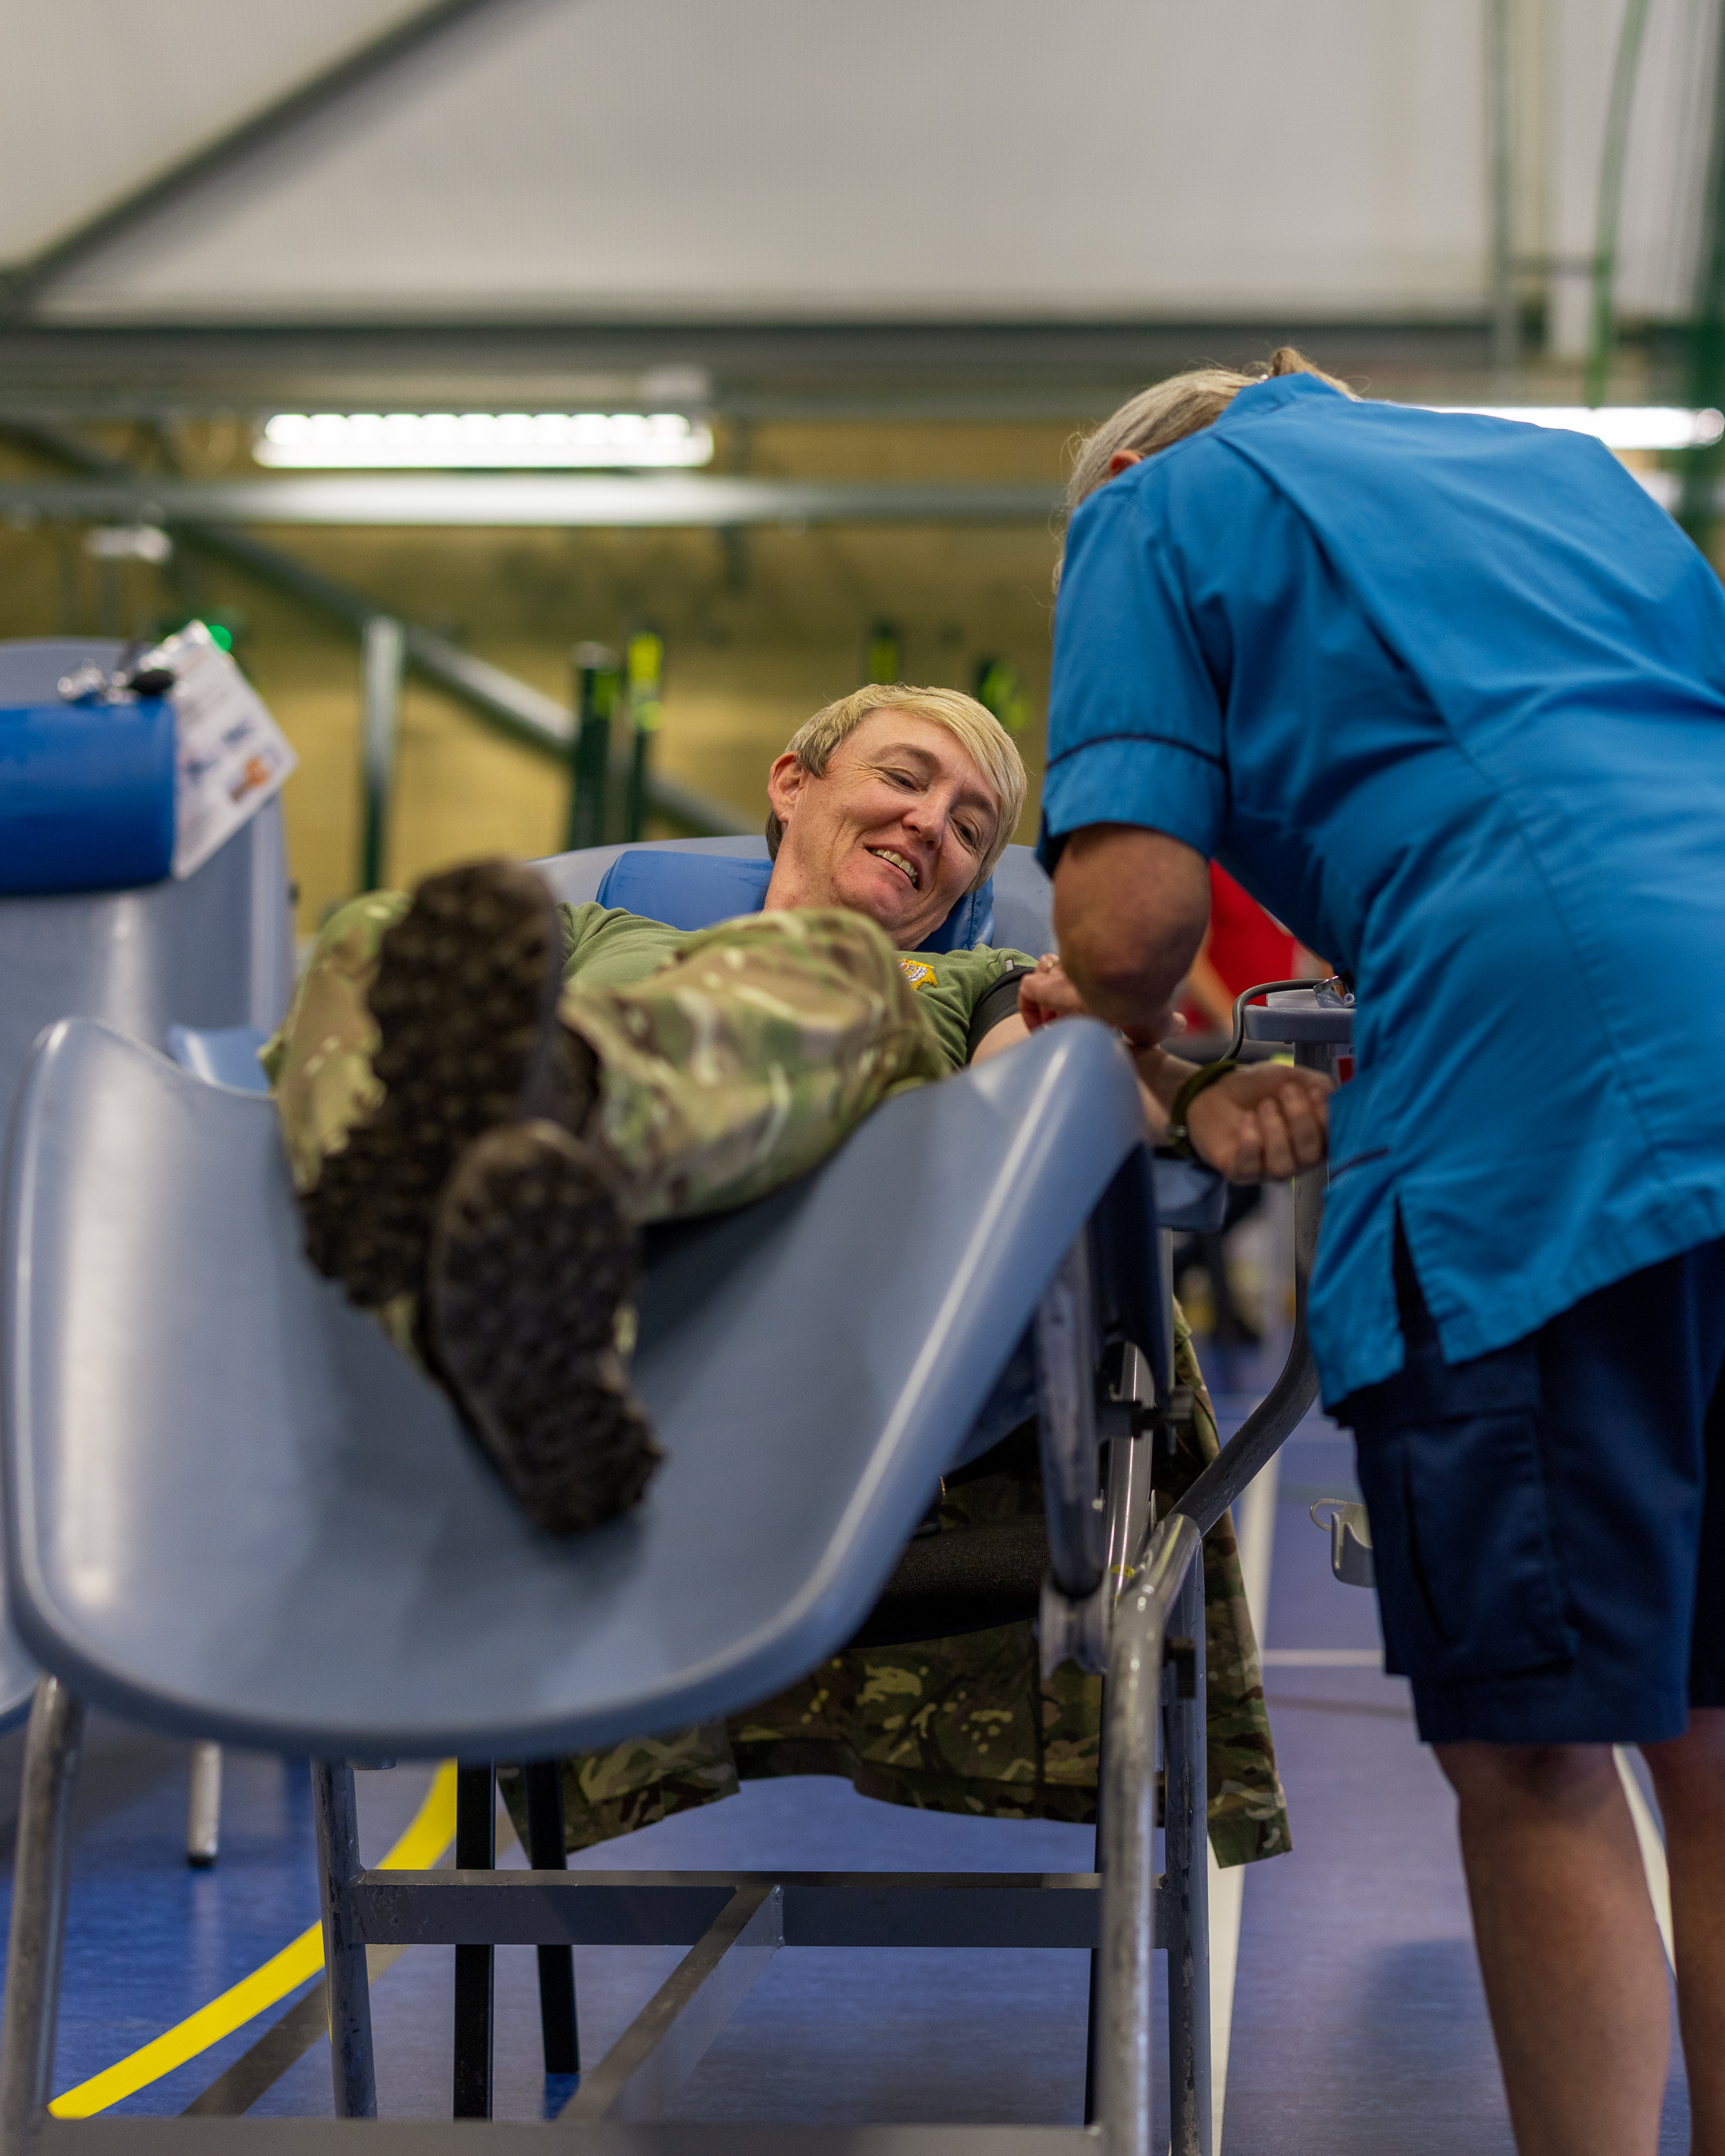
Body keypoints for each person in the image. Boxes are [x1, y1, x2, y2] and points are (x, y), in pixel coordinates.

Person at [1036, 346, 1725, 2155]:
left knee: (1535, 1744)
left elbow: (1123, 931)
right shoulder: (1570, 478)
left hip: (1550, 1096)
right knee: (1721, 1746)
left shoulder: (1153, 513)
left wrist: (1160, 1057)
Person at [265, 682, 1292, 1863]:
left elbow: (1041, 1087)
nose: (934, 828)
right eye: (905, 779)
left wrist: (1109, 1046)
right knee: (374, 934)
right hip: (562, 1367)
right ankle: (476, 1303)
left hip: (816, 1362)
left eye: (970, 829)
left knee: (838, 973)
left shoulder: (961, 985)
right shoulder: (593, 937)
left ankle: (559, 1144)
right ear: (791, 783)